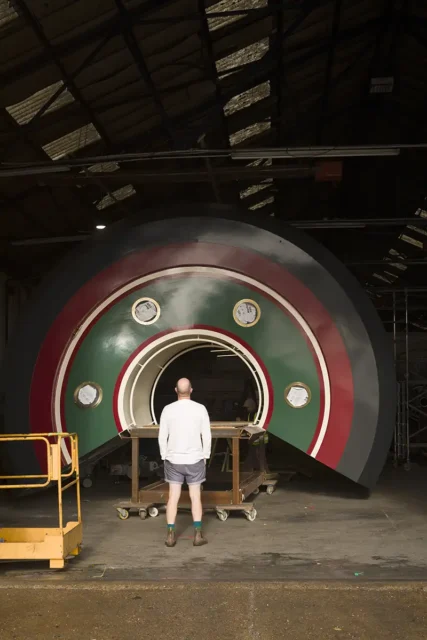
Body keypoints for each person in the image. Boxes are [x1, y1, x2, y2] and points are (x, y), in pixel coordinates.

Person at [158, 378, 211, 548]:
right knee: (195, 496)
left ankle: (170, 535)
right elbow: (206, 435)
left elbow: (162, 436)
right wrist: (205, 455)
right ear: (191, 390)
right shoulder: (200, 409)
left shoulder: (167, 409)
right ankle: (197, 535)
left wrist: (164, 455)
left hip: (173, 460)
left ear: (176, 390)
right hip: (195, 459)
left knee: (173, 497)